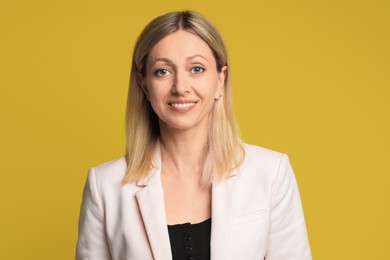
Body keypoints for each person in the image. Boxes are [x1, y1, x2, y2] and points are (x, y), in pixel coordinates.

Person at [76, 10, 312, 260]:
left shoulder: (271, 173)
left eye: (196, 69)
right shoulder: (105, 186)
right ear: (144, 84)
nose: (180, 87)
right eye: (163, 71)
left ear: (220, 80)